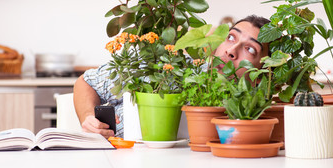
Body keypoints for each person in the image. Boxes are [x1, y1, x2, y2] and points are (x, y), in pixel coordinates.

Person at [73, 15, 270, 138]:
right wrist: (88, 118)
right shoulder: (171, 66)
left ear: (262, 74)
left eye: (250, 49)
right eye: (230, 38)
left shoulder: (252, 114)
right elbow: (86, 82)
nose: (231, 51)